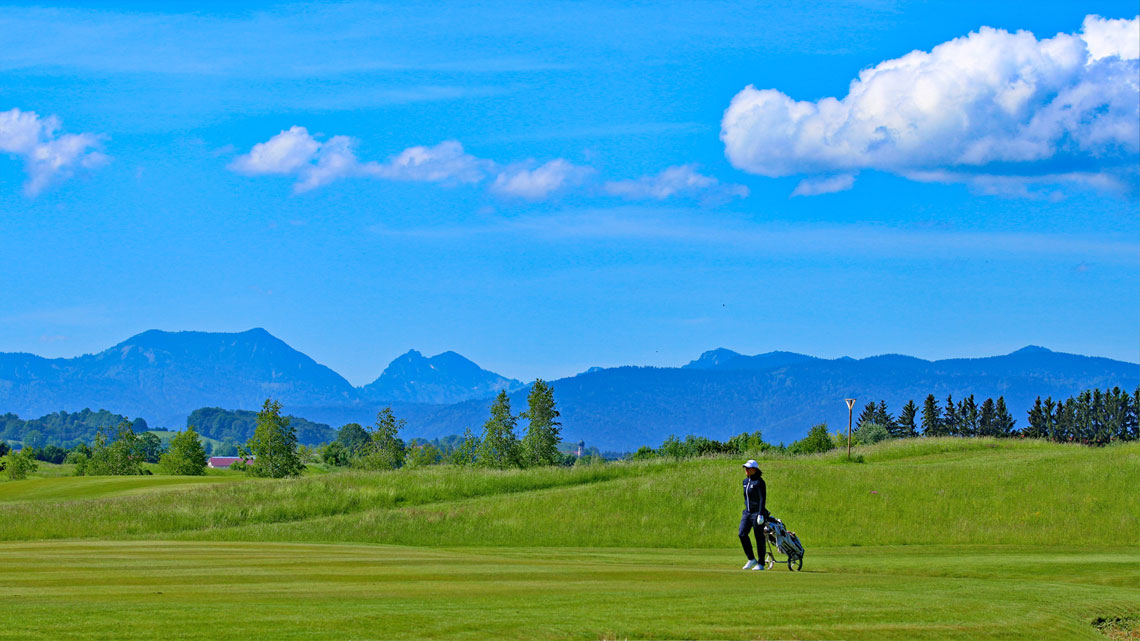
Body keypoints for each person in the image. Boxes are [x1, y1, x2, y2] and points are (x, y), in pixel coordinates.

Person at [738, 459, 769, 570]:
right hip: (747, 512)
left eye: (748, 468)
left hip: (757, 513)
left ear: (754, 469)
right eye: (745, 468)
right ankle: (751, 559)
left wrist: (760, 514)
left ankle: (761, 563)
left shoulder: (759, 482)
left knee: (759, 538)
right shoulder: (745, 482)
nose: (746, 469)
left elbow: (762, 499)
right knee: (742, 534)